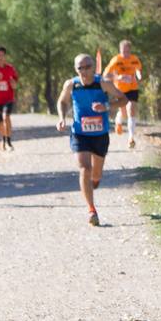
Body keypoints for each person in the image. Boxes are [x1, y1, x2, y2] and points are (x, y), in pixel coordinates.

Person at [56, 53, 126, 227]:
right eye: (81, 68)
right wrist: (62, 117)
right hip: (80, 133)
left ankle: (95, 180)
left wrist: (107, 107)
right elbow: (62, 102)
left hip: (100, 134)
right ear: (76, 69)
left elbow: (124, 99)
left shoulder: (103, 83)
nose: (84, 71)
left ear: (93, 67)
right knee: (84, 168)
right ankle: (91, 210)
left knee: (96, 174)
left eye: (88, 67)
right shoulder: (71, 84)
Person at [103, 39, 144, 147]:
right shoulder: (116, 60)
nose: (125, 54)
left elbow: (139, 70)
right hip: (120, 90)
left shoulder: (134, 59)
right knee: (124, 112)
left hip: (132, 88)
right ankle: (118, 121)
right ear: (120, 50)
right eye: (123, 51)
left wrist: (139, 77)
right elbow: (105, 75)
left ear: (130, 50)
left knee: (131, 109)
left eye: (127, 51)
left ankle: (131, 137)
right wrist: (118, 77)